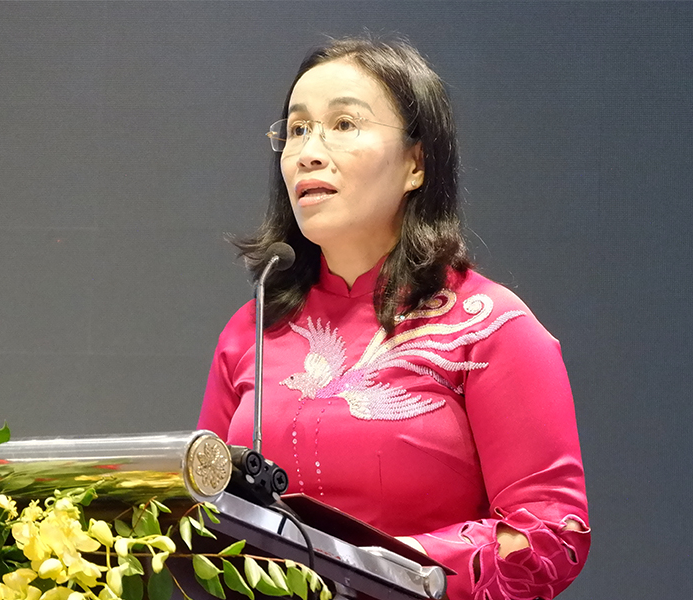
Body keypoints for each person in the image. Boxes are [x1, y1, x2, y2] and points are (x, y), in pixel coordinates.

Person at [197, 37, 590, 600]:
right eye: (298, 129)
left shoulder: (489, 327)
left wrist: (375, 568)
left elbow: (549, 533)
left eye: (344, 124)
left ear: (416, 163)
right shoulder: (252, 330)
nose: (308, 151)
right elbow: (201, 512)